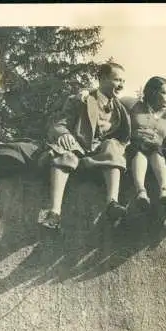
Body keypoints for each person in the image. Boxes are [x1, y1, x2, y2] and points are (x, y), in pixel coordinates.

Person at [38, 62, 131, 231]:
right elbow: (58, 124)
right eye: (117, 80)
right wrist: (64, 134)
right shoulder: (81, 100)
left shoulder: (119, 108)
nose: (121, 85)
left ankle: (112, 204)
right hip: (78, 148)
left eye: (124, 81)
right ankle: (54, 213)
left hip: (100, 153)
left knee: (113, 146)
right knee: (64, 154)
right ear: (102, 79)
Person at [127, 76, 166, 209]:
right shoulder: (135, 105)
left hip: (158, 150)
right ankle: (141, 192)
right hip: (136, 147)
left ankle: (164, 191)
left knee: (156, 152)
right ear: (153, 92)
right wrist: (86, 92)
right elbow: (112, 98)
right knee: (139, 153)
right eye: (165, 93)